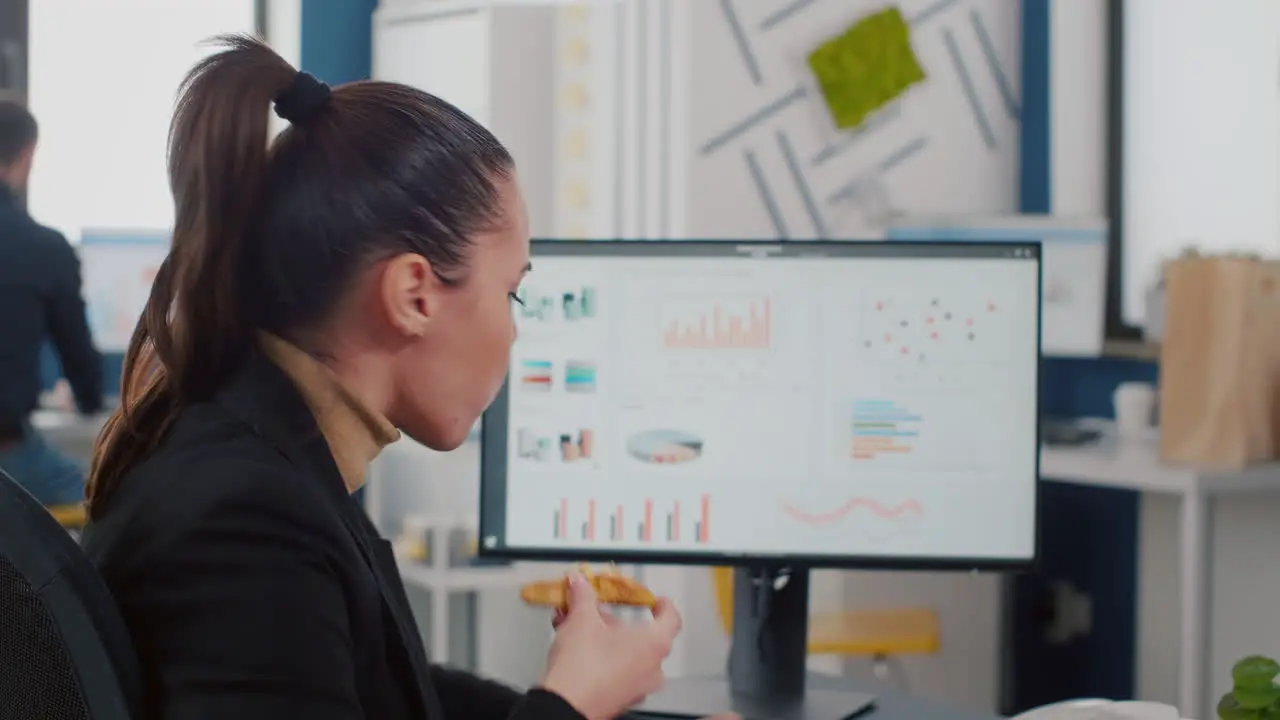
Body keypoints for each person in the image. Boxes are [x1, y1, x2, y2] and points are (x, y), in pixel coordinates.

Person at [80, 36, 731, 720]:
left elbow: (397, 691)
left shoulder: (262, 458)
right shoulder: (245, 520)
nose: (514, 331)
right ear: (414, 294)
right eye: (511, 293)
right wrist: (570, 703)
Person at [0, 98, 103, 506]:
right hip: (8, 454)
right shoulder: (44, 248)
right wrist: (88, 397)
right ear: (27, 154)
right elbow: (79, 360)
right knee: (103, 504)